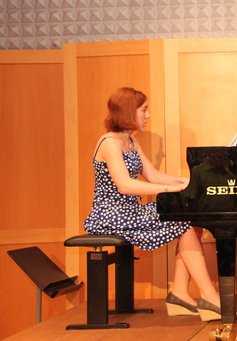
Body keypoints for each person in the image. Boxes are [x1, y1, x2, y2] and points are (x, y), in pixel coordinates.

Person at [82, 87, 221, 321]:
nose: (148, 115)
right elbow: (125, 186)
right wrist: (171, 190)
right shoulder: (109, 142)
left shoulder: (131, 141)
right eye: (144, 110)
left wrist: (191, 183)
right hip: (111, 214)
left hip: (131, 211)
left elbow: (154, 176)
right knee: (184, 220)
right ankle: (210, 297)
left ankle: (180, 294)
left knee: (191, 218)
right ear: (128, 111)